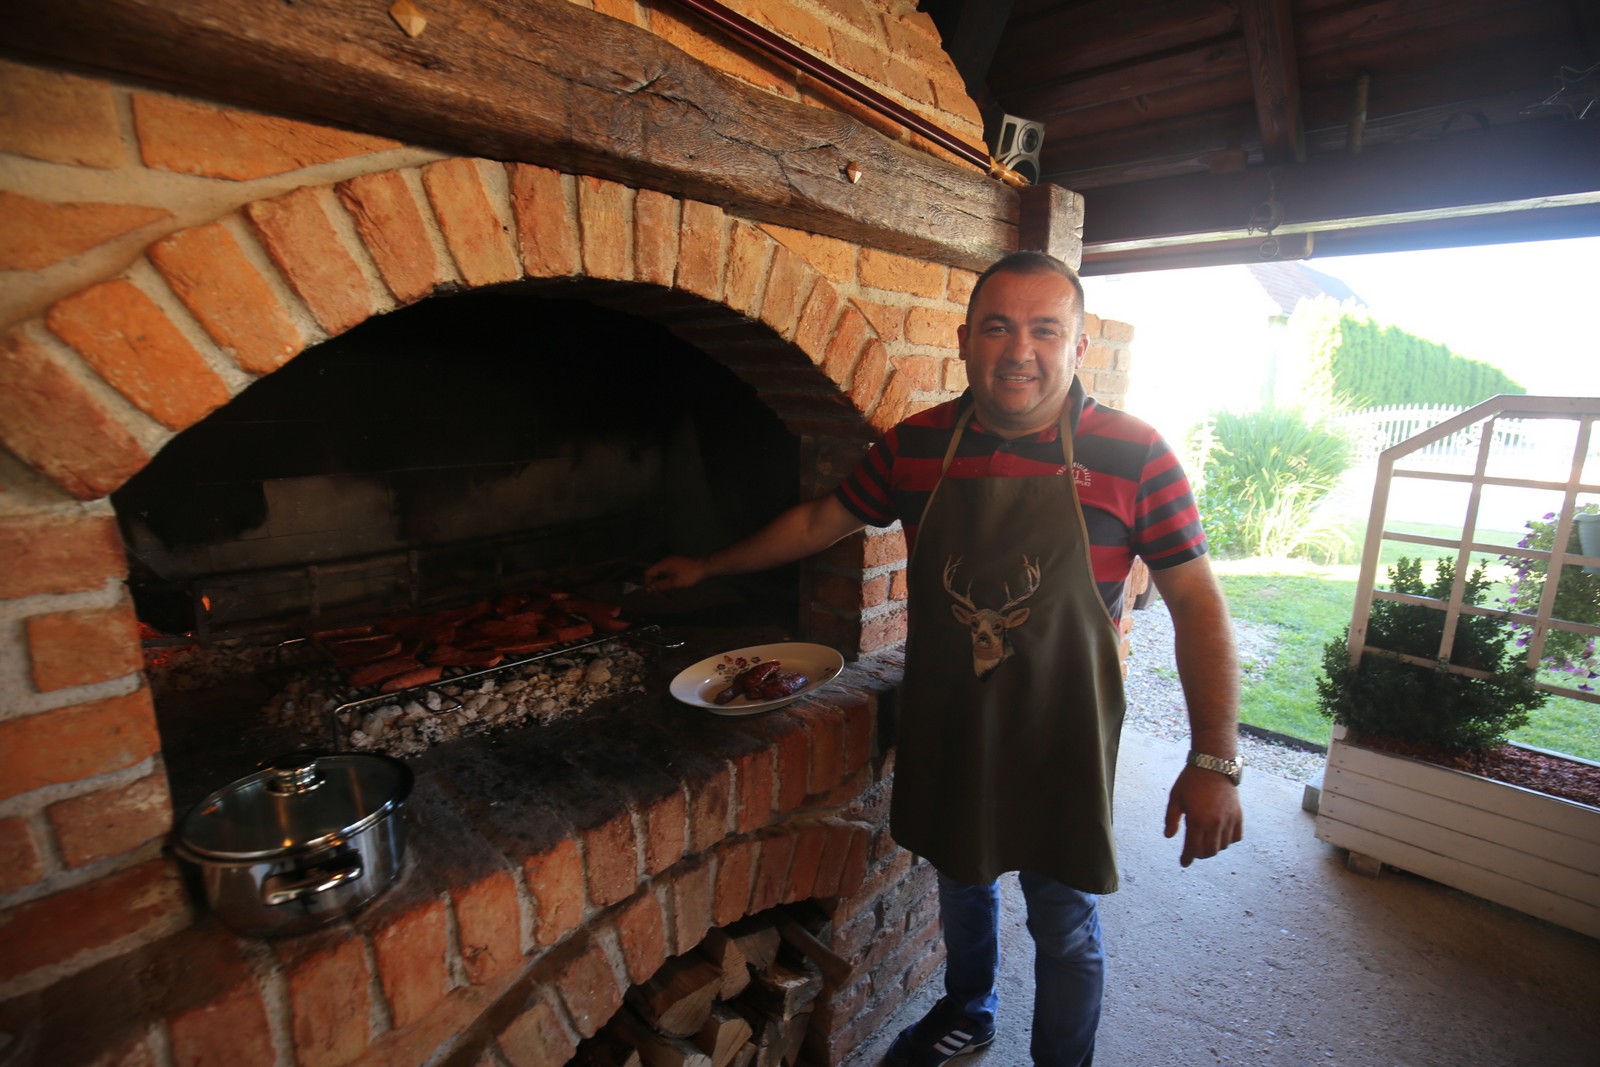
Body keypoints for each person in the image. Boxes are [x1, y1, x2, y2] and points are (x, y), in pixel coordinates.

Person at [645, 251, 1243, 1067]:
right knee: (961, 881)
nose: (1018, 350)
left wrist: (1215, 757)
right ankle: (970, 1008)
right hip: (951, 718)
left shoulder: (1135, 455)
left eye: (1044, 329)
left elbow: (1197, 604)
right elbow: (823, 518)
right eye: (998, 327)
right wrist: (711, 565)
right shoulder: (918, 445)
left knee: (1061, 912)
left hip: (1059, 733)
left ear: (1077, 346)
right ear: (966, 340)